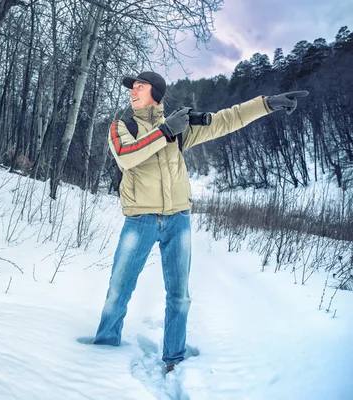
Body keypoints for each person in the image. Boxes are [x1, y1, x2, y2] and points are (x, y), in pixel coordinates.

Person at [94, 71, 308, 372]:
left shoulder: (180, 130)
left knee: (179, 296)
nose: (133, 90)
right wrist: (165, 130)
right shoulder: (122, 126)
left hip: (178, 219)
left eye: (139, 86)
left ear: (156, 92)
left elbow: (226, 120)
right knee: (119, 289)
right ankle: (102, 353)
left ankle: (174, 360)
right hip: (139, 219)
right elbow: (127, 157)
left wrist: (267, 104)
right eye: (132, 87)